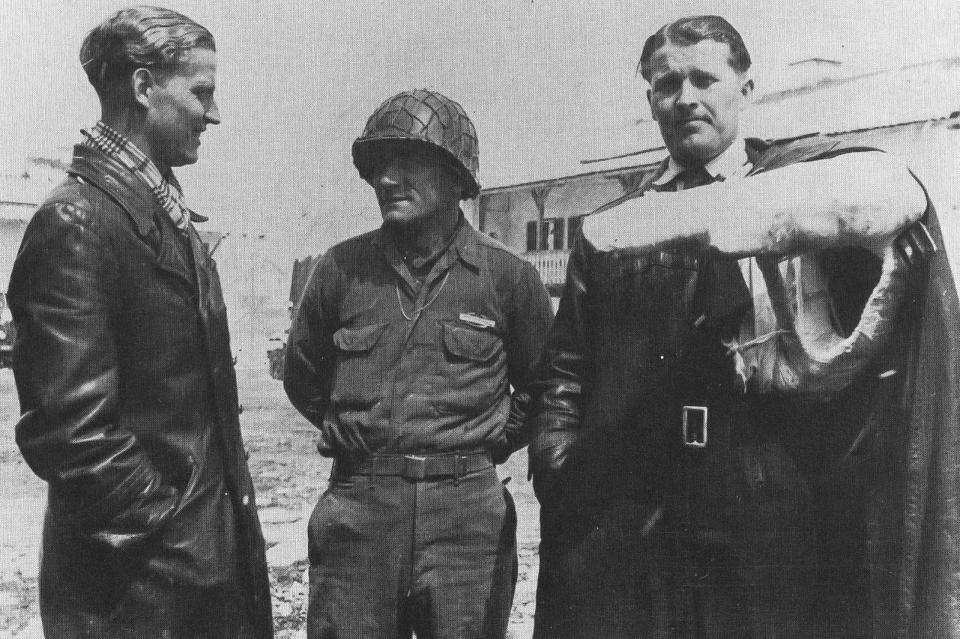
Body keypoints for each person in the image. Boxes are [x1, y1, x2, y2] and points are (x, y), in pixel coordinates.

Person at [528, 15, 933, 639]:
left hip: (766, 494)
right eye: (667, 85)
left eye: (703, 79)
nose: (685, 98)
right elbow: (566, 368)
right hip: (642, 495)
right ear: (651, 102)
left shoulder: (805, 194)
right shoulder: (614, 229)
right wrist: (561, 472)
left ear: (746, 90)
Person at [8, 7, 272, 638]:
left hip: (188, 574)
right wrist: (175, 531)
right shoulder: (76, 223)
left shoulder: (157, 212)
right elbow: (71, 434)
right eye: (201, 92)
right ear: (145, 87)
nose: (214, 114)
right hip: (136, 586)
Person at [283, 89, 552, 639]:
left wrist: (484, 444)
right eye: (381, 166)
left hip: (466, 520)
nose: (388, 179)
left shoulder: (507, 277)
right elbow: (303, 376)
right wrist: (362, 436)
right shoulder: (339, 270)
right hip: (358, 512)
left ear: (456, 178)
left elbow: (543, 386)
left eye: (409, 162)